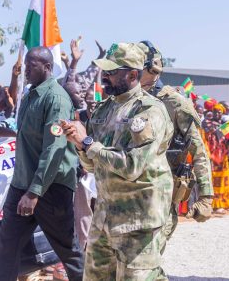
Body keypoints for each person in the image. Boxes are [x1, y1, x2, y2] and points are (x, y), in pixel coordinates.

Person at [61, 42, 173, 281]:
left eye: (112, 72)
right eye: (105, 71)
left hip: (138, 222)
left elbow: (132, 166)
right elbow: (93, 166)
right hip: (105, 219)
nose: (105, 76)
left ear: (132, 75)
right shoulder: (105, 109)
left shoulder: (148, 111)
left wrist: (88, 143)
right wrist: (79, 144)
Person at [0, 46, 84, 281]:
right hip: (22, 185)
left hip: (50, 188)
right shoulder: (30, 95)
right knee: (7, 247)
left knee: (68, 250)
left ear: (47, 67)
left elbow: (54, 148)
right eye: (26, 66)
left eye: (31, 66)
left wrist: (34, 192)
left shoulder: (56, 98)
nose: (26, 71)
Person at [136, 40, 213, 242]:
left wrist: (206, 196)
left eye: (135, 66)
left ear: (152, 68)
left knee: (150, 251)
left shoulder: (174, 102)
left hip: (163, 192)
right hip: (131, 193)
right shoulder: (129, 99)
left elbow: (198, 150)